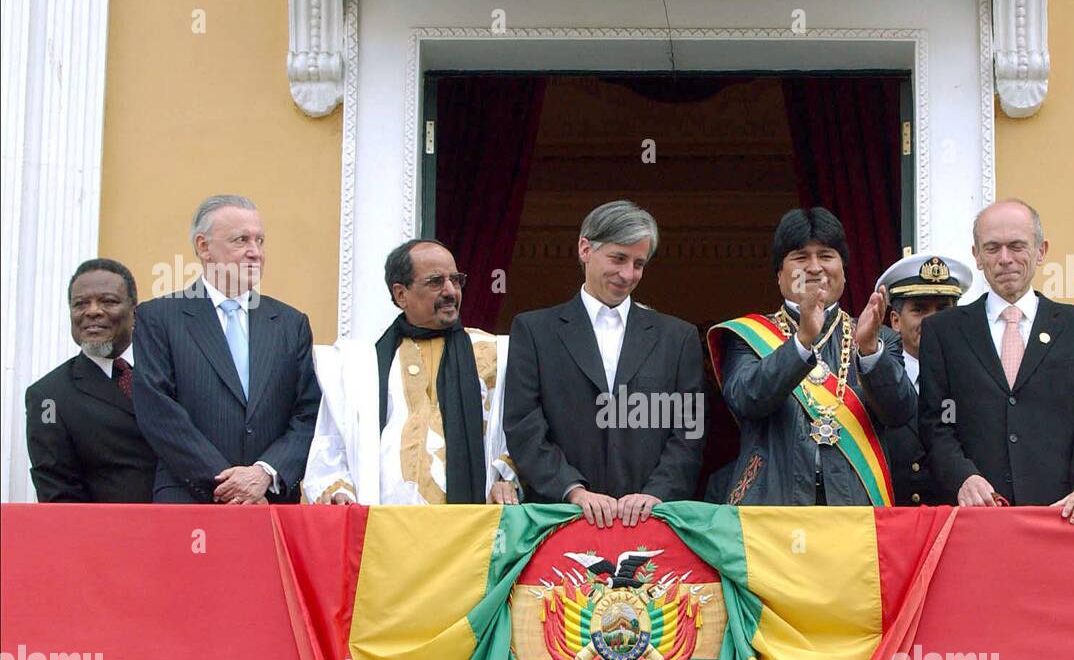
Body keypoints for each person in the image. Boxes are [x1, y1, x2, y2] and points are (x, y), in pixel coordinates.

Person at [504, 201, 704, 527]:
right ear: (585, 248)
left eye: (639, 263)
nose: (628, 274)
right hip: (560, 518)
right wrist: (572, 491)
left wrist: (656, 494)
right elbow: (524, 425)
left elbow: (689, 432)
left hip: (651, 520)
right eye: (618, 258)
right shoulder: (534, 331)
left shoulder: (677, 337)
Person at [919, 199, 1074, 523]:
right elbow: (937, 422)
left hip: (1064, 516)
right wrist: (962, 478)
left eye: (1017, 246)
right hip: (976, 517)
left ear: (1041, 251)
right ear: (977, 256)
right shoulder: (944, 331)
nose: (1005, 259)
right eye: (992, 248)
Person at [706, 207, 914, 506]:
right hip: (772, 506)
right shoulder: (745, 336)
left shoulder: (880, 338)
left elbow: (900, 412)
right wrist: (802, 341)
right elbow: (747, 399)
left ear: (844, 269)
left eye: (826, 256)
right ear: (779, 275)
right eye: (801, 257)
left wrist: (869, 351)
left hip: (854, 505)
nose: (815, 267)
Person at [133, 194, 320, 504]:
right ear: (203, 246)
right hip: (190, 500)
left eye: (260, 241)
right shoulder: (159, 317)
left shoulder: (290, 323)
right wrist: (231, 484)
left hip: (269, 501)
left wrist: (263, 474)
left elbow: (309, 412)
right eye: (241, 240)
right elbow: (159, 413)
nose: (255, 252)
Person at [304, 239, 517, 505]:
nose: (451, 291)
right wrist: (340, 492)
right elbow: (332, 444)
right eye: (435, 282)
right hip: (384, 525)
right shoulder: (359, 365)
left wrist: (507, 478)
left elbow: (519, 429)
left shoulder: (495, 354)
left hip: (470, 527)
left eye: (455, 279)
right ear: (400, 294)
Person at [24, 259, 158, 502]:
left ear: (134, 312)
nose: (92, 311)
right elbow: (58, 494)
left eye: (108, 301)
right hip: (114, 535)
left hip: (192, 528)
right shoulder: (48, 397)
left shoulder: (171, 370)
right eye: (80, 304)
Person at [877, 253, 972, 506]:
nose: (933, 320)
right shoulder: (878, 378)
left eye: (943, 309)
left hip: (956, 520)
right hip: (895, 520)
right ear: (895, 321)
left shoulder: (975, 375)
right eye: (919, 310)